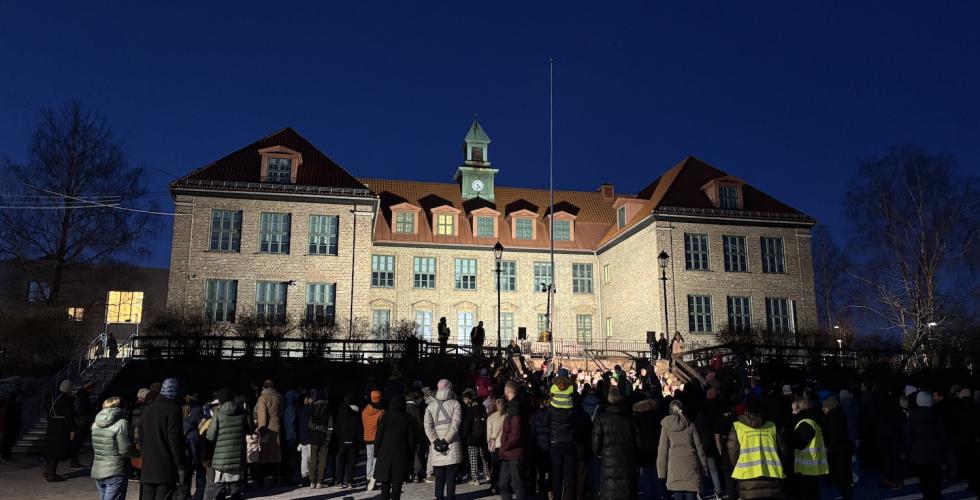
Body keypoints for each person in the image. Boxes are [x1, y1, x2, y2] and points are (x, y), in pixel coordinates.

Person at [727, 396, 785, 500]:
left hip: (747, 479)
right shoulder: (771, 426)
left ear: (746, 410)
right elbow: (783, 450)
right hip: (771, 476)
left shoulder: (737, 427)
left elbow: (732, 450)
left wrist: (737, 465)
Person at [140, 377, 185, 500]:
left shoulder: (148, 409)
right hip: (165, 467)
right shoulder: (173, 411)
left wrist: (144, 457)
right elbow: (175, 441)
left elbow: (141, 437)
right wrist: (180, 466)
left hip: (148, 467)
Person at [592, 387, 639, 500]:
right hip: (626, 459)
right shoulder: (630, 418)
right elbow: (638, 442)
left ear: (609, 399)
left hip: (608, 461)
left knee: (610, 491)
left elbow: (595, 442)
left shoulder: (602, 418)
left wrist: (598, 453)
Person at [203, 388, 248, 500]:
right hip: (238, 456)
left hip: (221, 458)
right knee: (236, 487)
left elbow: (210, 436)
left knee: (220, 487)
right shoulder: (242, 411)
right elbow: (249, 429)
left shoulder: (218, 413)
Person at [657, 400, 707, 500]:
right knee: (691, 494)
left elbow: (662, 450)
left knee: (677, 495)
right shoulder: (690, 425)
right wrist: (704, 466)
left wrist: (661, 472)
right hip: (690, 466)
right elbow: (699, 447)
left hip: (674, 468)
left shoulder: (666, 427)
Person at [91, 397, 137, 500]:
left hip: (98, 470)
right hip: (115, 470)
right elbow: (124, 449)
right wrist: (137, 454)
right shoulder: (122, 423)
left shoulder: (95, 424)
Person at [424, 379, 463, 500]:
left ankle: (439, 497)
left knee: (439, 475)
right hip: (452, 444)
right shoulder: (456, 404)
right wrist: (446, 440)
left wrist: (435, 441)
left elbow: (427, 426)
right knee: (451, 476)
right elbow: (456, 424)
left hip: (436, 446)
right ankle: (451, 497)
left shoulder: (430, 406)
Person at [374, 395, 418, 500]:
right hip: (401, 454)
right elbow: (411, 440)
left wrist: (376, 452)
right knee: (397, 483)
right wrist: (411, 456)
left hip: (384, 453)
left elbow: (378, 436)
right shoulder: (407, 418)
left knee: (385, 482)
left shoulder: (384, 417)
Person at [904, 390, 945, 500]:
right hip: (936, 454)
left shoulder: (913, 417)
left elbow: (909, 437)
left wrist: (907, 452)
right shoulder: (937, 415)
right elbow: (943, 435)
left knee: (925, 482)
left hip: (919, 455)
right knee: (935, 483)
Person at [790, 396, 829, 500]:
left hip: (807, 469)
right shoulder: (813, 420)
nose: (792, 412)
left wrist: (787, 436)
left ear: (800, 409)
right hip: (812, 467)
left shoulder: (805, 424)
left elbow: (798, 443)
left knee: (808, 495)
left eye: (794, 409)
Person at [549, 374, 577, 500]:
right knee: (569, 474)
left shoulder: (551, 407)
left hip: (555, 441)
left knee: (557, 474)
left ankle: (556, 497)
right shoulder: (572, 403)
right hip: (570, 441)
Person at [43, 379, 76, 482]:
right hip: (61, 426)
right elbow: (70, 414)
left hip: (52, 424)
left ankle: (49, 471)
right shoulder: (66, 399)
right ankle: (51, 475)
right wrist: (72, 427)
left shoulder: (53, 397)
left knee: (50, 449)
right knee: (56, 450)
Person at [498, 381, 526, 500]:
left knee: (516, 484)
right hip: (508, 452)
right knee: (503, 484)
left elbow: (515, 434)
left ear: (507, 391)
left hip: (513, 452)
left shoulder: (515, 407)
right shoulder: (513, 406)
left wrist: (504, 448)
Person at [633, 398, 665, 500]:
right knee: (657, 474)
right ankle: (661, 494)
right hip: (656, 449)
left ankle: (648, 495)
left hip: (642, 450)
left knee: (645, 475)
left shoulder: (636, 418)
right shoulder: (656, 417)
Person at [822, 397, 853, 500]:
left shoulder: (833, 417)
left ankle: (846, 494)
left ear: (829, 407)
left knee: (841, 476)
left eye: (825, 407)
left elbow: (833, 435)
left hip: (839, 451)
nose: (823, 409)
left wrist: (829, 449)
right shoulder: (839, 414)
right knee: (845, 474)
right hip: (844, 449)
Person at [254, 379, 283, 485]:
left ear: (264, 387)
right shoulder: (279, 397)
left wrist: (261, 430)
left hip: (267, 429)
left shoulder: (262, 398)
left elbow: (262, 416)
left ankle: (261, 479)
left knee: (264, 455)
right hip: (277, 426)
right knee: (276, 454)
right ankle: (276, 477)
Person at [460, 389, 489, 485]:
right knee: (483, 457)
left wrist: (463, 437)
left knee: (473, 458)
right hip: (482, 438)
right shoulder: (483, 409)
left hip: (472, 438)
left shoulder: (470, 410)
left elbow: (466, 425)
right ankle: (487, 475)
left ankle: (475, 478)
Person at [334, 394, 362, 488]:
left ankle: (339, 481)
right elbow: (359, 429)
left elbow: (337, 428)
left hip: (342, 440)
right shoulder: (356, 414)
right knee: (351, 461)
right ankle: (350, 482)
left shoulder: (341, 413)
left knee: (340, 461)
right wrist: (359, 441)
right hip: (353, 440)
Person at [306, 395, 333, 489]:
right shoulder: (328, 412)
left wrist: (317, 427)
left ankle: (312, 481)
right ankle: (319, 482)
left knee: (313, 459)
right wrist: (328, 436)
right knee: (322, 460)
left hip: (313, 438)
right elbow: (330, 427)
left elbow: (309, 425)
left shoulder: (312, 412)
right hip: (324, 438)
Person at [363, 389, 385, 491]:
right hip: (377, 438)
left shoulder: (364, 411)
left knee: (369, 458)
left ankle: (368, 477)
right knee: (376, 458)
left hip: (367, 437)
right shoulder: (381, 412)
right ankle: (373, 478)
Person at [71, 381, 96, 468]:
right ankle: (74, 461)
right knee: (78, 442)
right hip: (82, 422)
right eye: (92, 388)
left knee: (77, 442)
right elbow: (83, 410)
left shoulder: (81, 396)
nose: (93, 390)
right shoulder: (83, 398)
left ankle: (74, 460)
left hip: (81, 421)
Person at [405, 391, 427, 483]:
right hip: (416, 435)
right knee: (416, 455)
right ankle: (417, 474)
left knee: (406, 455)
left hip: (405, 435)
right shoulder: (416, 409)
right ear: (415, 399)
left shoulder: (403, 408)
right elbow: (420, 423)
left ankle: (407, 474)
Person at [486, 397, 506, 494]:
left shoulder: (490, 417)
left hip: (495, 446)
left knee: (495, 467)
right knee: (505, 467)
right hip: (506, 445)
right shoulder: (507, 416)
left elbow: (489, 434)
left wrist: (489, 444)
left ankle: (494, 487)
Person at [280, 390, 300, 485]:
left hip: (288, 436)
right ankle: (289, 478)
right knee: (291, 457)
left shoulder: (285, 408)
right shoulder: (290, 408)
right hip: (291, 436)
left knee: (289, 457)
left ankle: (288, 477)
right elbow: (290, 424)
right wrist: (293, 435)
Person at [297, 393, 315, 487]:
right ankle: (312, 477)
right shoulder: (312, 411)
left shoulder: (302, 410)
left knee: (304, 458)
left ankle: (304, 476)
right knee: (311, 458)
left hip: (302, 437)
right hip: (310, 437)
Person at [1, 393, 22, 460]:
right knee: (8, 442)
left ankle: (5, 455)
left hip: (8, 426)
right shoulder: (15, 406)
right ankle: (7, 455)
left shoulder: (9, 406)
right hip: (11, 427)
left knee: (6, 442)